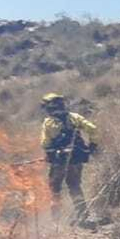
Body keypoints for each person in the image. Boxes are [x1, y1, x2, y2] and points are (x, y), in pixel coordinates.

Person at [39, 93, 99, 226]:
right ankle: (82, 214)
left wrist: (51, 154)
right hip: (76, 159)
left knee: (54, 188)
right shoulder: (74, 117)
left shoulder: (49, 123)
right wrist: (92, 146)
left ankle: (56, 219)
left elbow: (45, 143)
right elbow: (93, 129)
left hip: (59, 162)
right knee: (74, 186)